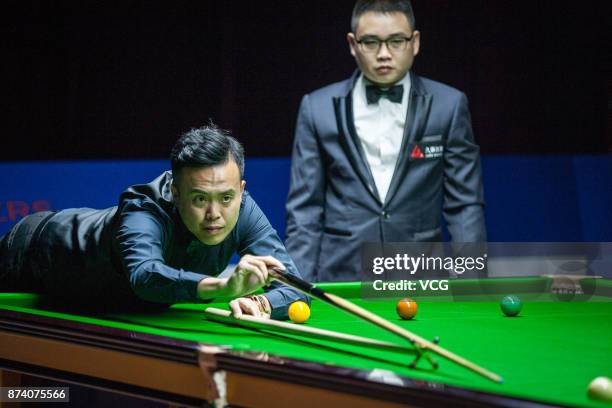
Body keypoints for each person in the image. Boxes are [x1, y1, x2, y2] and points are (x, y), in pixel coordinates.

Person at [0, 124, 307, 319]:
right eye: (200, 198)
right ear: (175, 191)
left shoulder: (243, 208)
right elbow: (145, 276)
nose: (215, 213)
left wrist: (261, 303)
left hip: (107, 296)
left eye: (226, 198)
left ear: (240, 191)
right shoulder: (143, 208)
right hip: (32, 254)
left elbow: (292, 281)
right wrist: (225, 286)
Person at [285, 0, 486, 282]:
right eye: (370, 42)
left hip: (421, 275)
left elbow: (464, 205)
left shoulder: (448, 105)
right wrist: (294, 287)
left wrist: (473, 283)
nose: (383, 54)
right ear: (353, 44)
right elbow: (304, 211)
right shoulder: (317, 108)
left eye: (396, 41)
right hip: (343, 276)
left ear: (414, 42)